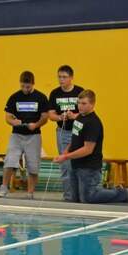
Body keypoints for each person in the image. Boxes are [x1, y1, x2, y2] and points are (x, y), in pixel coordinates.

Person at [54, 89, 128, 204]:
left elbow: (88, 149)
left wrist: (66, 157)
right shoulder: (79, 117)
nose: (80, 106)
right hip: (76, 165)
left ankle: (124, 193)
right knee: (75, 199)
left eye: (83, 104)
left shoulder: (93, 123)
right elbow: (75, 137)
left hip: (89, 167)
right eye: (79, 103)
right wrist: (66, 151)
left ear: (92, 104)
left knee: (88, 198)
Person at [0, 71, 49, 199]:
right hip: (16, 135)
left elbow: (45, 117)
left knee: (33, 164)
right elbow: (8, 117)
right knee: (10, 160)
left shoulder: (41, 97)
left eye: (28, 87)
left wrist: (36, 125)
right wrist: (14, 122)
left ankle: (30, 193)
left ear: (33, 84)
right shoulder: (14, 97)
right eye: (23, 86)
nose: (25, 89)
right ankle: (4, 187)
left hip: (34, 135)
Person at [48, 65, 84, 201]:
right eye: (59, 77)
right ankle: (69, 197)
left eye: (64, 77)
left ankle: (81, 195)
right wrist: (59, 117)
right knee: (66, 165)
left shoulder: (80, 91)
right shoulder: (54, 93)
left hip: (78, 131)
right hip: (63, 131)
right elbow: (51, 114)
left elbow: (85, 111)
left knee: (79, 163)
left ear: (71, 78)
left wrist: (74, 116)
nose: (61, 80)